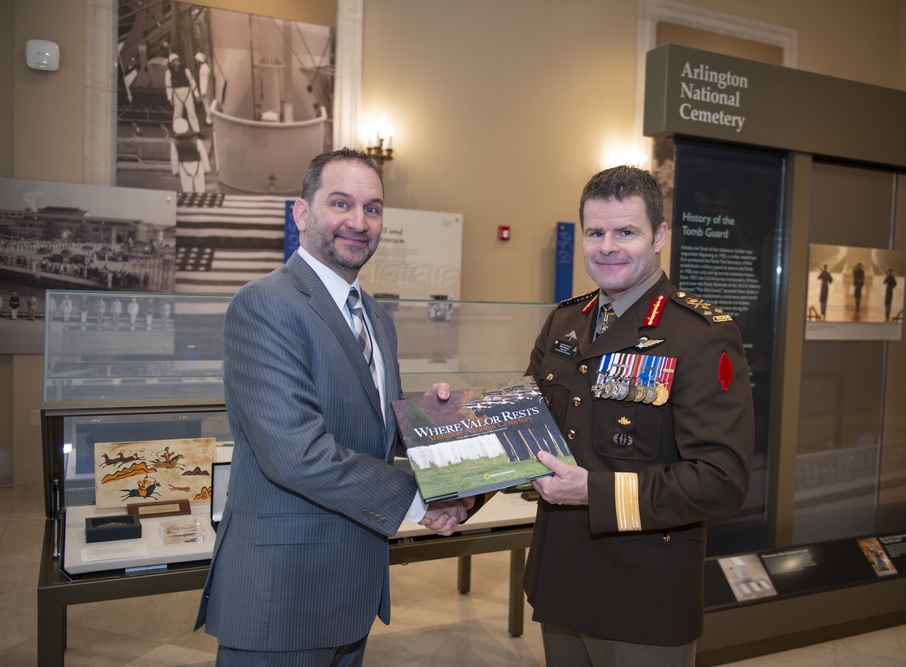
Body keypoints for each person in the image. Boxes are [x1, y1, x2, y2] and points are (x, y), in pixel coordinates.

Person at [195, 149, 471, 666]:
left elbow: (375, 430)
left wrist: (439, 427)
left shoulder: (374, 316)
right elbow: (296, 453)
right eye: (340, 203)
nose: (358, 222)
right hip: (284, 596)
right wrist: (423, 499)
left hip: (352, 587)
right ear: (302, 214)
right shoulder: (266, 305)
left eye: (372, 208)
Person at [524, 165, 754, 666]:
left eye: (626, 231)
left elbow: (722, 480)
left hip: (643, 599)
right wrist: (454, 449)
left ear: (659, 237)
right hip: (560, 581)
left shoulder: (700, 334)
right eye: (595, 232)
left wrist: (593, 491)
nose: (607, 246)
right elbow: (524, 431)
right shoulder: (564, 321)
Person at [170, 117, 211, 193]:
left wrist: (175, 170)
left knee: (187, 191)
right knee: (201, 190)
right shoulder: (196, 140)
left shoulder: (174, 143)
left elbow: (174, 158)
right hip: (198, 166)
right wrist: (206, 168)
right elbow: (203, 155)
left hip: (184, 167)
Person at [165, 53, 200, 133]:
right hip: (177, 94)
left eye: (178, 59)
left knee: (192, 113)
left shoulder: (186, 70)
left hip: (187, 93)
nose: (177, 61)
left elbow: (192, 82)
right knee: (178, 114)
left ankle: (197, 131)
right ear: (172, 63)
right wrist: (170, 98)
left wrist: (197, 95)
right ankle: (177, 132)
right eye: (175, 60)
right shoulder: (168, 72)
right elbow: (168, 86)